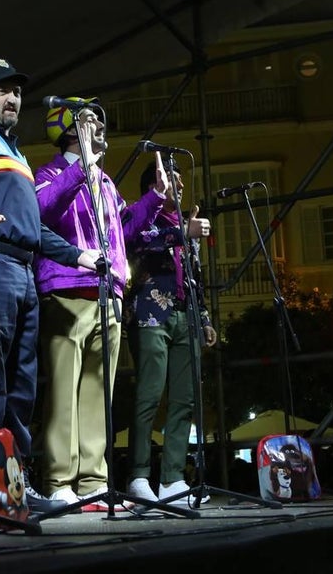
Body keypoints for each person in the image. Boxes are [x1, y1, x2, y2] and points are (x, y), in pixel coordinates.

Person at [0, 59, 100, 514]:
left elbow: (32, 227)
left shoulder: (17, 154)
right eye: (2, 90)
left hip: (22, 271)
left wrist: (77, 255)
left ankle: (13, 489)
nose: (13, 99)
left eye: (17, 92)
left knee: (20, 385)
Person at [33, 100, 169, 511]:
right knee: (63, 391)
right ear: (67, 129)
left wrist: (155, 199)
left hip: (108, 293)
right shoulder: (50, 172)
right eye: (88, 120)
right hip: (67, 290)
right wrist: (82, 168)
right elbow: (42, 210)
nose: (98, 125)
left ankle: (93, 481)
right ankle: (59, 482)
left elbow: (123, 230)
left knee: (97, 392)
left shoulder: (106, 183)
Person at [124, 161, 216, 504]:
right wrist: (183, 233)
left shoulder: (185, 224)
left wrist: (204, 317)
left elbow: (196, 276)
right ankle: (138, 476)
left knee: (184, 399)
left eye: (179, 182)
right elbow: (135, 239)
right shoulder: (142, 216)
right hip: (150, 315)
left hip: (185, 316)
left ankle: (173, 480)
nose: (178, 187)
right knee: (148, 396)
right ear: (154, 186)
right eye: (169, 182)